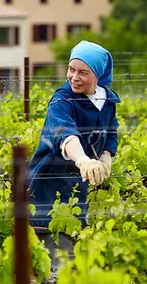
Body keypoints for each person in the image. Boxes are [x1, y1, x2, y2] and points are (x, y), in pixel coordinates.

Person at [27, 40, 120, 269]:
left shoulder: (106, 101)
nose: (74, 77)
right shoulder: (61, 100)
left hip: (80, 183)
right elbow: (65, 134)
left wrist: (106, 158)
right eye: (71, 70)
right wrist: (83, 160)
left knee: (76, 241)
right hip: (49, 183)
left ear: (97, 75)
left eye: (83, 72)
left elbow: (111, 132)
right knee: (54, 249)